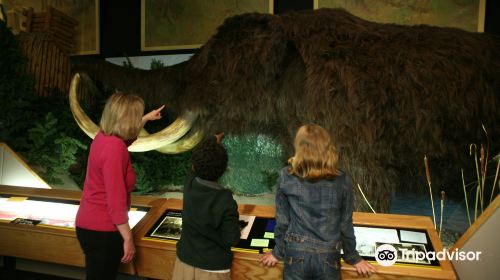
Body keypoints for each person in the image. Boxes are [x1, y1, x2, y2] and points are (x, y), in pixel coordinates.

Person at [260, 124, 376, 279]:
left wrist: (277, 253)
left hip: (295, 255)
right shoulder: (342, 179)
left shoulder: (286, 176)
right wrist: (353, 258)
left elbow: (282, 221)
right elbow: (345, 223)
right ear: (327, 146)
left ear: (299, 147)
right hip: (329, 257)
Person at [75, 92, 164, 280]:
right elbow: (115, 201)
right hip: (103, 231)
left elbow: (125, 138)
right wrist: (128, 238)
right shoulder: (116, 149)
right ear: (128, 119)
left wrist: (145, 119)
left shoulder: (102, 137)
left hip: (88, 225)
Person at [172, 133, 241, 280]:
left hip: (184, 262)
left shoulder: (189, 185)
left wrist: (212, 139)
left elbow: (196, 163)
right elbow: (231, 239)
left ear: (194, 166)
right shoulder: (225, 200)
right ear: (224, 169)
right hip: (213, 269)